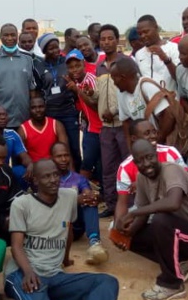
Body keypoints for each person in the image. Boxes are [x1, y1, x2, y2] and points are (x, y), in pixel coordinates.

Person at [5, 159, 118, 300]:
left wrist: (65, 259)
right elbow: (16, 246)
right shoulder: (21, 204)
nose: (53, 179)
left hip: (54, 274)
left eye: (55, 174)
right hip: (23, 272)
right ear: (35, 180)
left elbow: (66, 229)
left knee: (106, 282)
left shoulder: (68, 196)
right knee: (35, 296)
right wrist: (28, 271)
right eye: (46, 176)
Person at [118, 140, 188, 300]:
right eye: (140, 161)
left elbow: (173, 202)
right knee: (134, 236)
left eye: (149, 157)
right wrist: (128, 233)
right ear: (135, 163)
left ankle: (172, 284)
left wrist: (133, 213)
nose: (146, 164)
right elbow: (142, 213)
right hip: (181, 233)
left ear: (157, 155)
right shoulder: (142, 177)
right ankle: (184, 260)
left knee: (161, 220)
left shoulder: (171, 170)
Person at [112, 119, 188, 228]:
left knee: (158, 220)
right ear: (134, 138)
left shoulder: (170, 153)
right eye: (147, 133)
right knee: (118, 226)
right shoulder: (125, 167)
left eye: (154, 132)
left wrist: (141, 184)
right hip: (146, 207)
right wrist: (117, 228)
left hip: (175, 203)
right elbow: (122, 203)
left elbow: (185, 181)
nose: (153, 136)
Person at [50, 142, 108, 265]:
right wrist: (75, 199)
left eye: (66, 155)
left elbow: (87, 194)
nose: (64, 159)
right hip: (56, 228)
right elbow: (47, 203)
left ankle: (95, 244)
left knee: (89, 201)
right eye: (59, 156)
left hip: (75, 227)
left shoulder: (78, 178)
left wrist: (92, 196)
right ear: (51, 158)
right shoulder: (48, 178)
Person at [96, 24, 129, 217]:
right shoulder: (99, 67)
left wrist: (116, 111)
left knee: (128, 165)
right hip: (106, 126)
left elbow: (132, 92)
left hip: (124, 124)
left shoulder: (126, 62)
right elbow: (97, 97)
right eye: (103, 39)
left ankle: (131, 204)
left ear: (117, 40)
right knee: (108, 167)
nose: (106, 42)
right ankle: (111, 204)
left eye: (110, 38)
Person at [37, 32, 82, 170]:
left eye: (57, 47)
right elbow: (39, 89)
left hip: (68, 111)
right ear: (44, 50)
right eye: (51, 48)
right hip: (50, 112)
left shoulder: (66, 62)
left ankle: (76, 175)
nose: (56, 51)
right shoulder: (39, 66)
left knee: (74, 146)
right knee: (54, 147)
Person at [110, 57, 175, 144]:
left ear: (123, 77)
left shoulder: (147, 86)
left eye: (114, 79)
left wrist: (159, 140)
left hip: (163, 139)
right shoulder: (121, 93)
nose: (114, 83)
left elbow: (169, 116)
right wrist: (131, 148)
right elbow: (126, 122)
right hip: (144, 143)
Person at [0, 23, 37, 127]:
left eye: (13, 35)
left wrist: (32, 111)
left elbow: (32, 88)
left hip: (24, 116)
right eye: (6, 35)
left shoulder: (28, 57)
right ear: (0, 37)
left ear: (17, 36)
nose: (9, 38)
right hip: (1, 118)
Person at [65, 49, 102, 181]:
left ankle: (82, 191)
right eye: (70, 67)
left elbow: (97, 107)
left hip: (98, 128)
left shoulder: (90, 79)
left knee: (88, 163)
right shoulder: (76, 82)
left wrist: (77, 91)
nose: (74, 70)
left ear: (84, 64)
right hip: (90, 127)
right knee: (94, 162)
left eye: (77, 66)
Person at [134, 14, 179, 90]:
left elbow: (179, 78)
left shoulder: (173, 48)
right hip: (148, 101)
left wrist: (165, 59)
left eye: (146, 32)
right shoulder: (139, 54)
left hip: (170, 100)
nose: (142, 36)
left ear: (156, 28)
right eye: (140, 34)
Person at [0, 105, 34, 182]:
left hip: (6, 170)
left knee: (22, 171)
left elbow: (24, 156)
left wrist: (30, 165)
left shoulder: (12, 134)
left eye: (5, 114)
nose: (3, 117)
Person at [18, 96, 69, 163]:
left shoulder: (56, 124)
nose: (38, 110)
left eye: (41, 107)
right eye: (34, 108)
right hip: (34, 167)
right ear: (29, 110)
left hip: (54, 165)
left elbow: (65, 150)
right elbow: (22, 155)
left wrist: (71, 172)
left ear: (45, 107)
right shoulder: (22, 129)